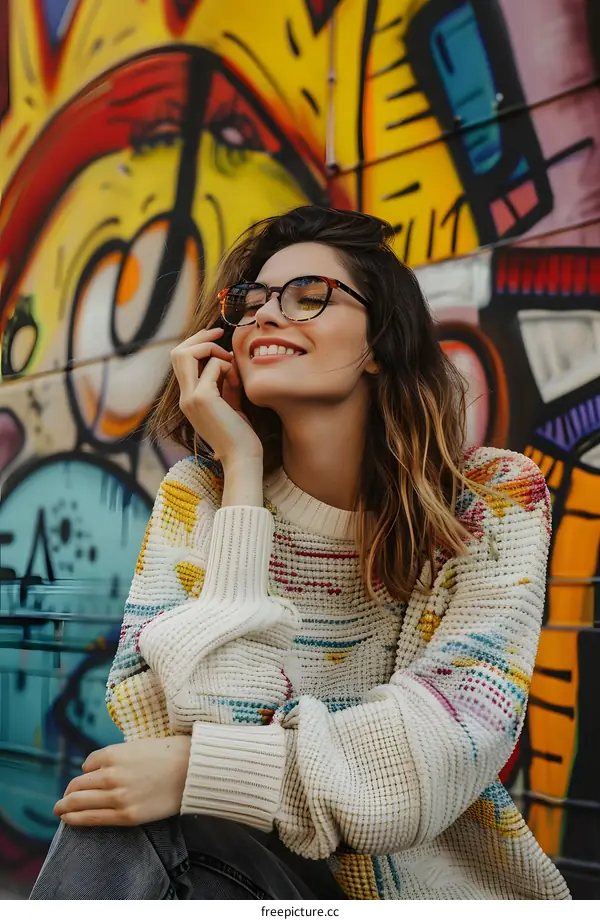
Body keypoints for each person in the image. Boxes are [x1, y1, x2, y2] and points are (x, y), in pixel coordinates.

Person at [45, 206, 569, 899]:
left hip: (430, 898)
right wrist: (238, 470)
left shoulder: (494, 500)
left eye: (308, 296)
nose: (265, 315)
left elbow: (429, 758)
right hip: (251, 882)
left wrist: (194, 770)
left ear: (380, 339)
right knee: (106, 811)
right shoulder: (199, 497)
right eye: (251, 302)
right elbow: (194, 725)